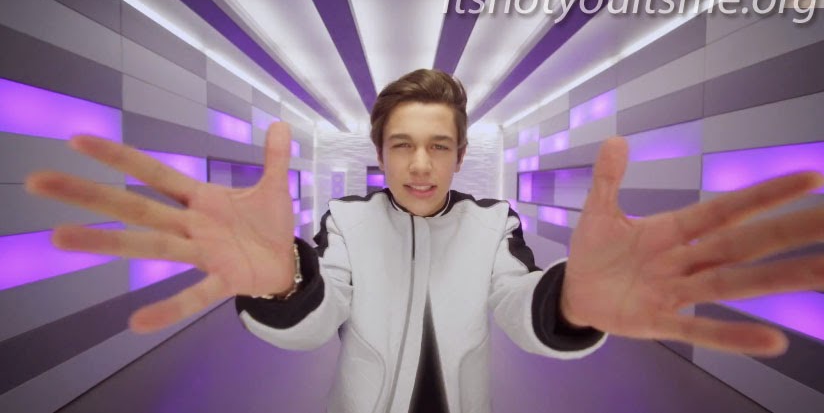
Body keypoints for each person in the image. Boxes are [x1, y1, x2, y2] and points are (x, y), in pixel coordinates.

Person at [25, 69, 824, 413]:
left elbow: (517, 300)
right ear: (379, 152)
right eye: (402, 144)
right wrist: (281, 284)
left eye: (438, 145)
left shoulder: (492, 222)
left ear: (460, 152)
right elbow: (317, 315)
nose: (419, 164)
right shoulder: (348, 223)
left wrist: (571, 304)